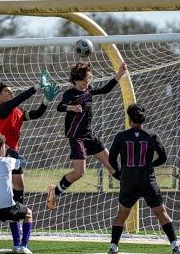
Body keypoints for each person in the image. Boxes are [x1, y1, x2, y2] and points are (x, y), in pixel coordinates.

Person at [46, 61, 126, 210]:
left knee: (111, 164)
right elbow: (59, 107)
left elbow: (105, 90)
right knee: (79, 172)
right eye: (81, 81)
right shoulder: (70, 94)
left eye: (86, 80)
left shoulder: (89, 90)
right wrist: (71, 107)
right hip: (77, 137)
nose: (85, 84)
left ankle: (130, 187)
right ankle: (54, 191)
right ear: (75, 80)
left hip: (90, 135)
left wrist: (119, 74)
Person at [106, 104, 180, 254]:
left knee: (122, 214)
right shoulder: (151, 135)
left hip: (129, 182)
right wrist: (150, 165)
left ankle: (113, 248)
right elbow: (163, 157)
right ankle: (175, 247)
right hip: (147, 181)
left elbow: (111, 159)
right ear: (142, 119)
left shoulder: (121, 136)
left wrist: (121, 173)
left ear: (129, 119)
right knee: (161, 213)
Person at [0, 70, 61, 205]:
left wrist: (46, 100)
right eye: (7, 91)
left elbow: (36, 114)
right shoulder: (2, 109)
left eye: (11, 91)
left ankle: (17, 212)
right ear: (0, 97)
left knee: (19, 185)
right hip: (1, 150)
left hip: (13, 151)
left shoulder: (18, 111)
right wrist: (37, 86)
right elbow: (18, 99)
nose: (11, 93)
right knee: (2, 183)